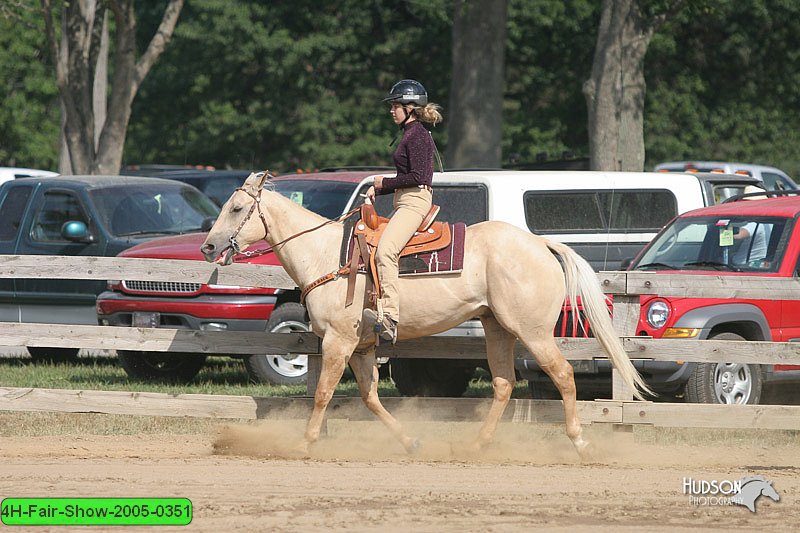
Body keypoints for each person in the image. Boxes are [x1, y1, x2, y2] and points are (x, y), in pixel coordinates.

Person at [363, 79, 443, 343]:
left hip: (414, 202)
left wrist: (382, 182)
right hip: (404, 199)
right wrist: (381, 189)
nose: (391, 110)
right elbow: (406, 176)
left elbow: (419, 176)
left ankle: (390, 317)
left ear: (411, 107)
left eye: (396, 105)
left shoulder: (417, 135)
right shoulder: (410, 133)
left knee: (386, 251)